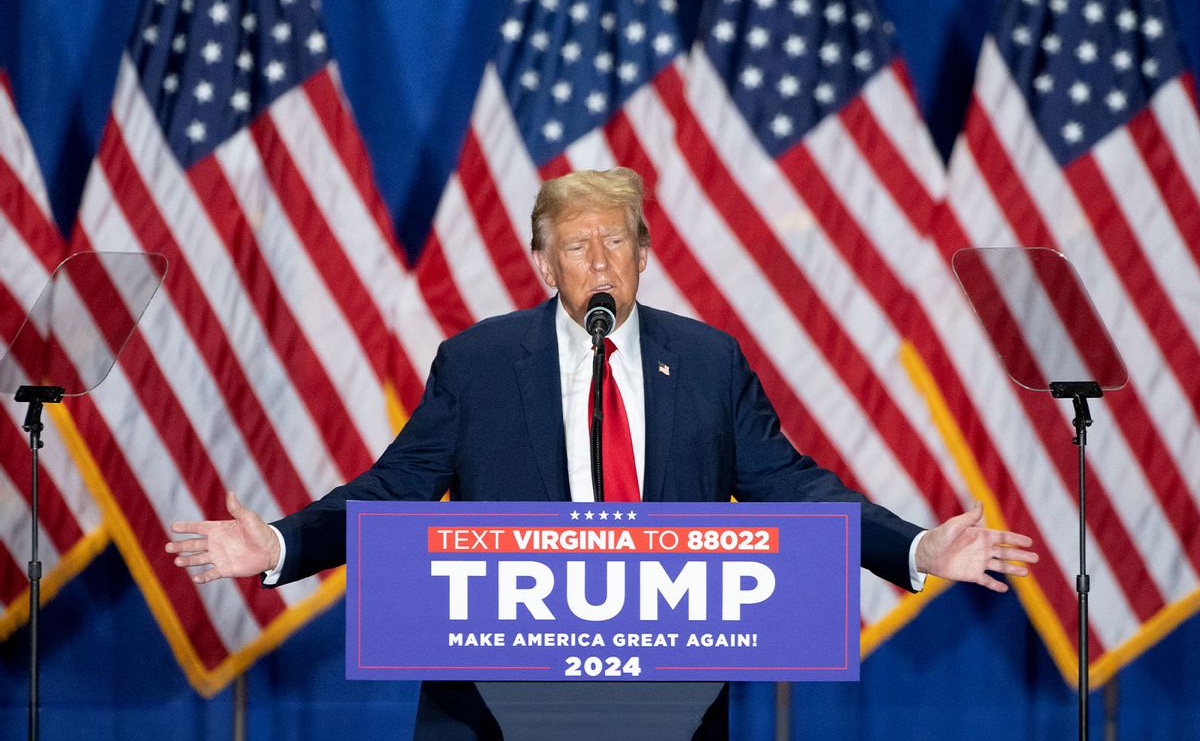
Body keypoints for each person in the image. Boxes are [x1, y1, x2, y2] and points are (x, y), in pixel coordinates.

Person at [167, 167, 1037, 737]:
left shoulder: (707, 361)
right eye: (577, 245)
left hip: (665, 694)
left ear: (646, 256)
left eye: (616, 240)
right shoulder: (477, 363)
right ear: (544, 266)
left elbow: (793, 487)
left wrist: (917, 547)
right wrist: (281, 544)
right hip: (496, 699)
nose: (600, 259)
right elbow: (397, 489)